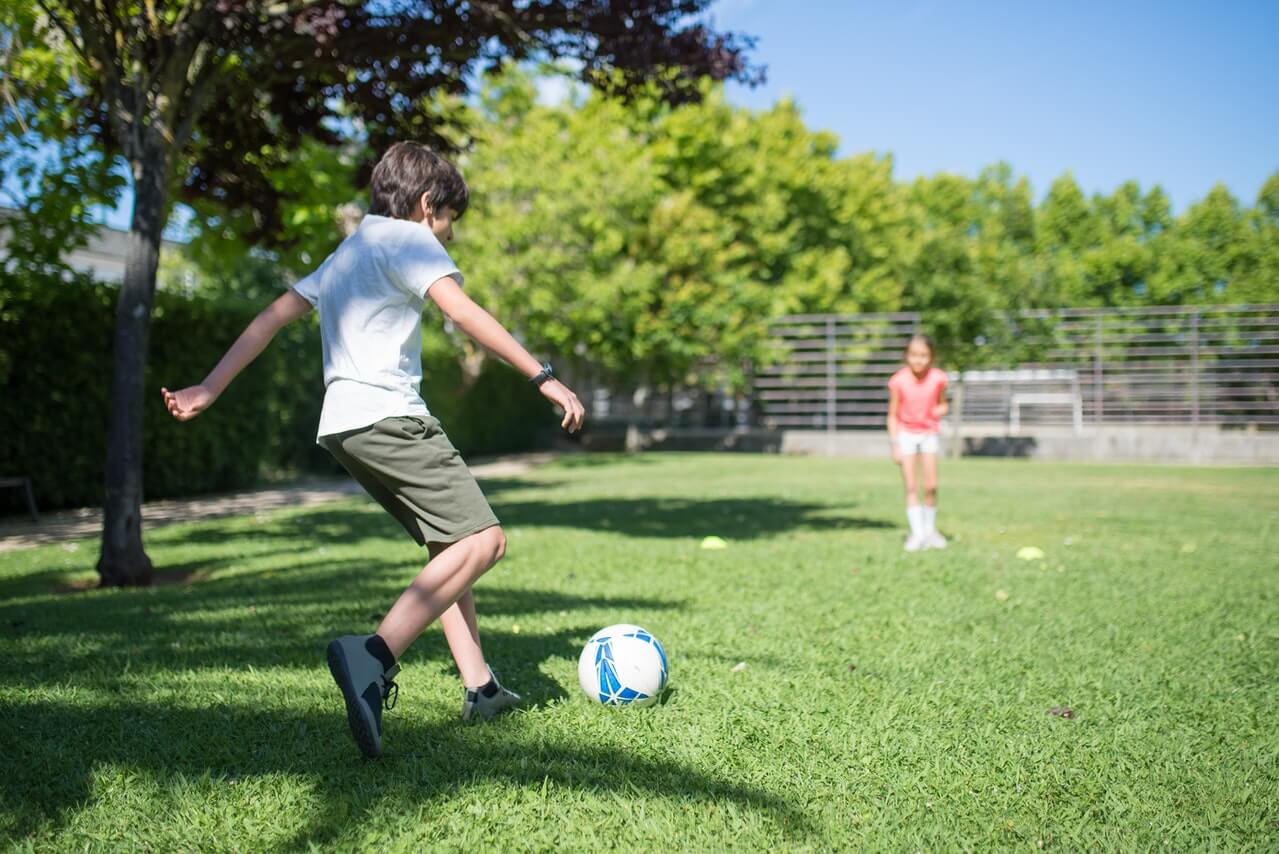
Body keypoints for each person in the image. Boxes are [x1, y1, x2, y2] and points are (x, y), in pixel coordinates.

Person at [161, 142, 586, 758]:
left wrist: (209, 386)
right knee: (484, 541)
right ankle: (374, 655)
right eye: (448, 223)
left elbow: (271, 318)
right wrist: (542, 376)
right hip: (392, 416)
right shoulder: (410, 239)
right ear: (425, 205)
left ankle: (482, 687)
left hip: (344, 424)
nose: (447, 238)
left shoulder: (350, 249)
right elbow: (462, 312)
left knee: (451, 543)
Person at [886, 334, 948, 552]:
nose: (918, 360)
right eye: (914, 355)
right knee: (911, 485)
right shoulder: (898, 381)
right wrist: (895, 444)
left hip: (929, 434)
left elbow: (943, 405)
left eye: (923, 355)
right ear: (906, 356)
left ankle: (930, 531)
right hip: (906, 435)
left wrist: (938, 410)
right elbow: (892, 415)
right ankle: (917, 533)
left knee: (931, 485)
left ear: (931, 357)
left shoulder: (938, 378)